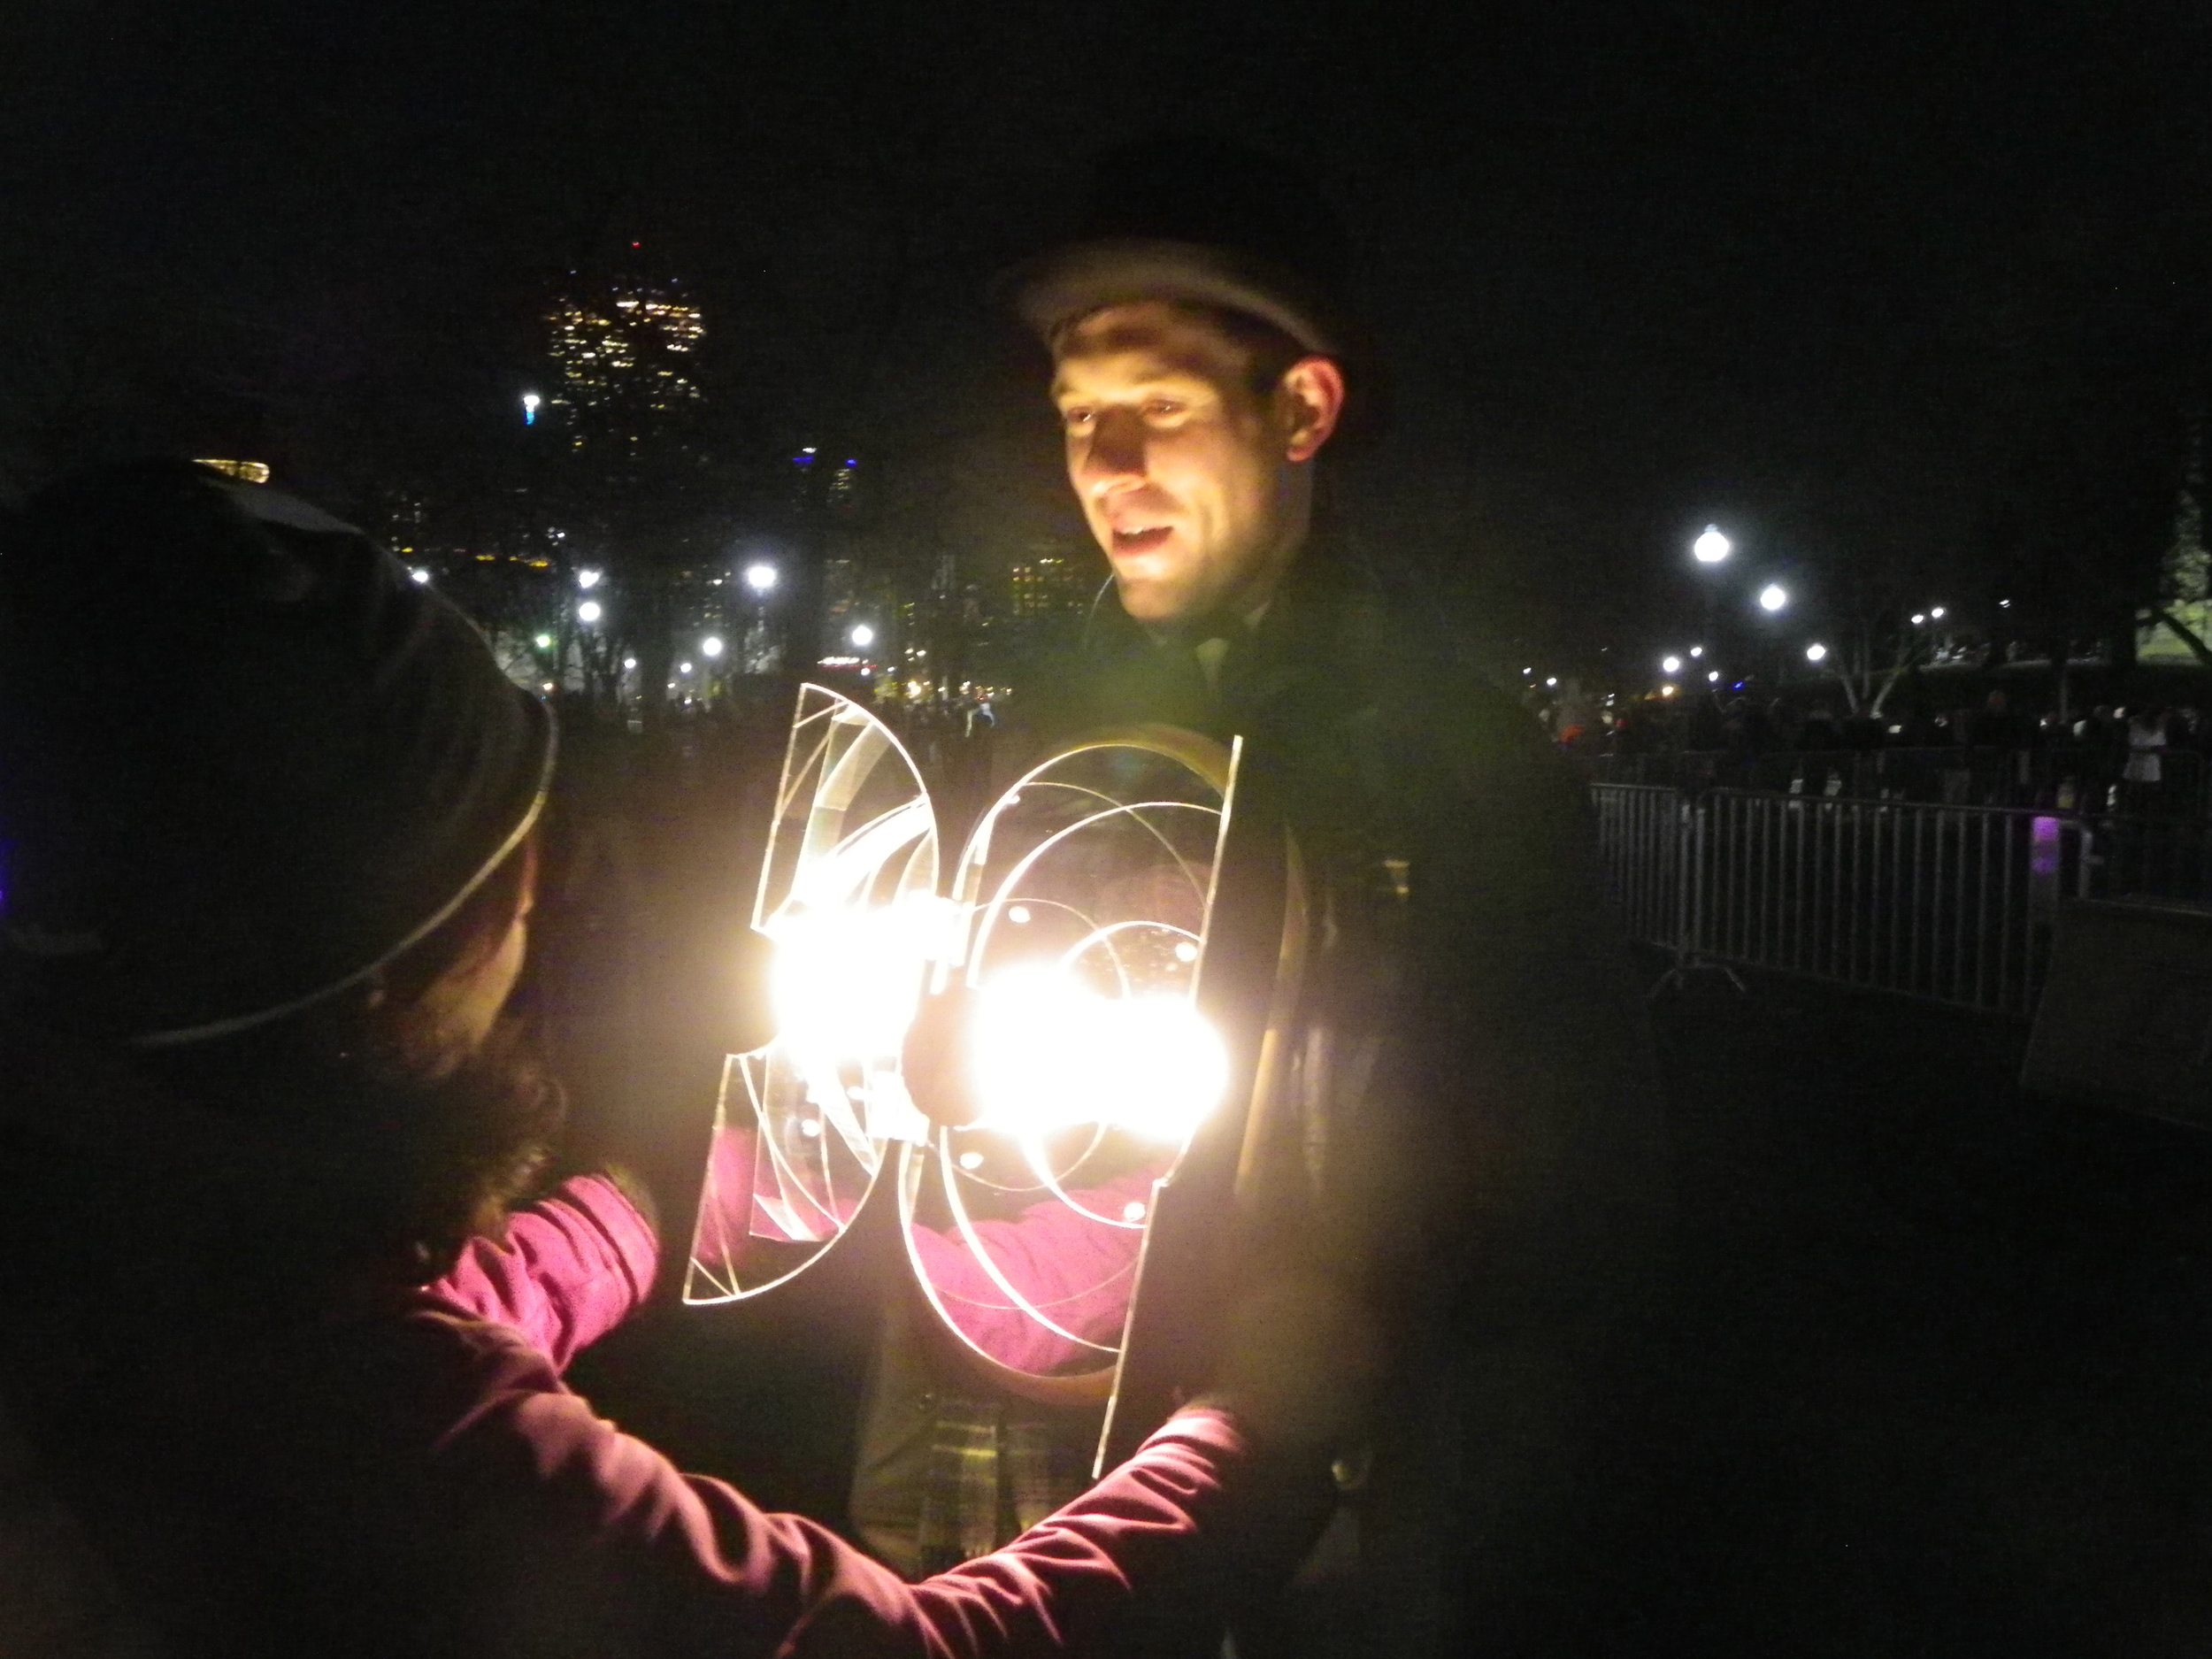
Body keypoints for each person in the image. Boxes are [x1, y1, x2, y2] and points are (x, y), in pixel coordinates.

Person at [0, 462, 1348, 1657]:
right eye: (519, 872)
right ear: (405, 955)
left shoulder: (141, 1242)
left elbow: (410, 1315)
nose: (545, 913)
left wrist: (648, 1204)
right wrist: (1259, 1426)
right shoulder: (380, 1440)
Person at [857, 140, 1673, 1657]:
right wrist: (931, 1071)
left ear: (1301, 409)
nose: (1106, 465)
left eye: (1159, 408)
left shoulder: (1457, 765)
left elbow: (1572, 1191)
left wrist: (1391, 1400)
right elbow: (951, 1103)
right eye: (1078, 416)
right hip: (1030, 1454)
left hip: (1329, 1504)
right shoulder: (1027, 745)